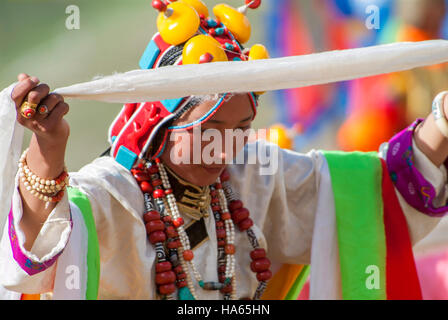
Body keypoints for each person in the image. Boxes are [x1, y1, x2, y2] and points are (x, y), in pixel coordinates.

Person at [1, 0, 448, 300]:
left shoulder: (251, 176)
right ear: (162, 119)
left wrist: (443, 122)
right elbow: (36, 257)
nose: (227, 147)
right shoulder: (112, 196)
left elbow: (366, 192)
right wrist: (49, 145)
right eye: (211, 128)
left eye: (243, 128)